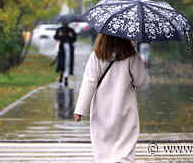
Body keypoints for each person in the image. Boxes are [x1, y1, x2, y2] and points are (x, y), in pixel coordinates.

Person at [74, 33, 148, 163]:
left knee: (103, 146)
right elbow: (141, 82)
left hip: (101, 110)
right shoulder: (132, 56)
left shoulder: (96, 56)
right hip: (125, 109)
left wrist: (80, 110)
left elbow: (89, 83)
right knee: (125, 145)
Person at [54, 22, 77, 86]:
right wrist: (59, 35)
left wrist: (71, 36)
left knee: (67, 63)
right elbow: (55, 37)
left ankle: (66, 78)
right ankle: (61, 75)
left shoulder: (71, 30)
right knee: (62, 63)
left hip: (69, 48)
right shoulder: (59, 29)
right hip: (61, 49)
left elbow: (74, 39)